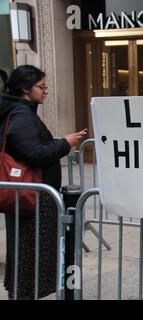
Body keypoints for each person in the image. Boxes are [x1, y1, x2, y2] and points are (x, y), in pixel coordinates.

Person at [0, 65, 87, 299]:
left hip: (31, 198)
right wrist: (65, 143)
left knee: (27, 260)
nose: (45, 91)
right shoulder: (21, 114)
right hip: (33, 200)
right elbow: (34, 153)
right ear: (25, 89)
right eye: (41, 86)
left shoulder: (20, 111)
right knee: (30, 260)